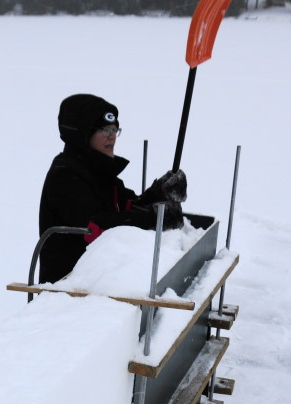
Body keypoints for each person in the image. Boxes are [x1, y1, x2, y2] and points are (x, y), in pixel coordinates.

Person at [37, 93, 187, 284]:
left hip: (101, 279)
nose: (112, 136)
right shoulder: (65, 176)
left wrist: (159, 192)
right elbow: (95, 228)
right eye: (105, 130)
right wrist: (153, 218)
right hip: (66, 288)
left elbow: (126, 205)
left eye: (115, 129)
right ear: (83, 133)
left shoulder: (97, 169)